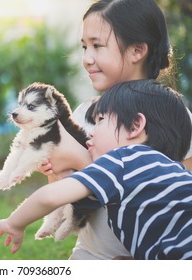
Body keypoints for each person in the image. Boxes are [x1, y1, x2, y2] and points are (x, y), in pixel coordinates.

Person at [38, 0, 192, 259]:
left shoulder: (177, 117)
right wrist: (56, 171)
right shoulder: (83, 116)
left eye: (97, 46)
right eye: (84, 47)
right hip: (90, 254)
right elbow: (71, 199)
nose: (87, 59)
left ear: (137, 50)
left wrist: (80, 159)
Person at [0, 79, 192, 260]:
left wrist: (15, 223)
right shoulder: (170, 169)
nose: (91, 131)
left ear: (135, 125)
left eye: (100, 120)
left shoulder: (124, 159)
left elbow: (50, 197)